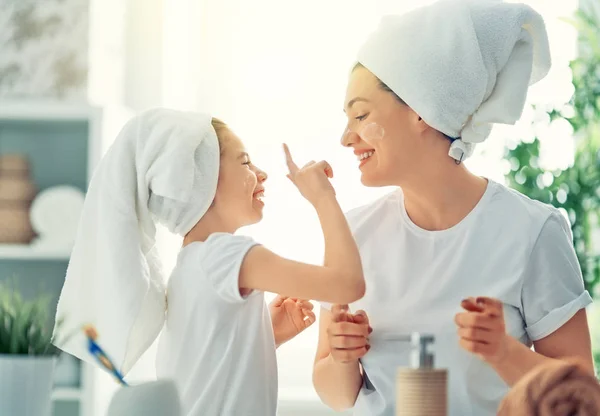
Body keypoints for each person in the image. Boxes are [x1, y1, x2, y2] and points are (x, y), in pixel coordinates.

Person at [312, 1, 594, 415]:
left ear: (421, 110)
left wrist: (502, 352)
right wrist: (341, 356)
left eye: (360, 115)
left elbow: (580, 397)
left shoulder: (531, 232)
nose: (346, 138)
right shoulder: (353, 234)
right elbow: (338, 396)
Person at [53, 108, 365, 415]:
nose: (262, 173)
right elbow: (347, 285)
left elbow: (210, 370)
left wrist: (268, 334)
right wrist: (324, 197)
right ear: (199, 179)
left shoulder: (191, 267)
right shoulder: (226, 256)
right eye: (244, 161)